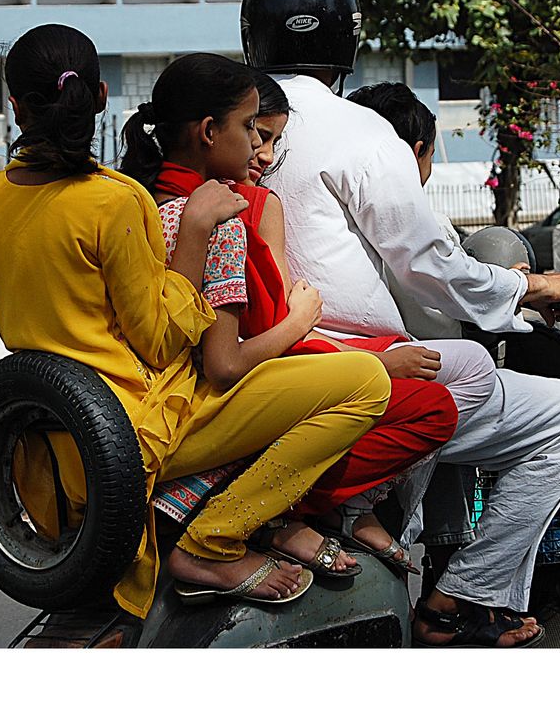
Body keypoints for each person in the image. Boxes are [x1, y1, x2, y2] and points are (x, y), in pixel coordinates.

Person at [241, 0, 560, 648]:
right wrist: (526, 286)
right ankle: (461, 596)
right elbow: (430, 262)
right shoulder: (356, 132)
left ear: (255, 35)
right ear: (344, 40)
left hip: (267, 371)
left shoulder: (228, 125)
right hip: (356, 372)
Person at [0, 24, 392, 619]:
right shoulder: (115, 200)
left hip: (47, 446)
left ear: (14, 106)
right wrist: (197, 228)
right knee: (366, 383)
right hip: (139, 433)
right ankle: (214, 540)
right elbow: (160, 339)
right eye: (250, 129)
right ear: (100, 96)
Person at [119, 54, 459, 575]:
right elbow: (226, 364)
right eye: (252, 130)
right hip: (200, 409)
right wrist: (299, 322)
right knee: (386, 387)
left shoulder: (133, 205)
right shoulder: (226, 221)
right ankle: (235, 527)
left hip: (135, 408)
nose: (262, 150)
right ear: (210, 132)